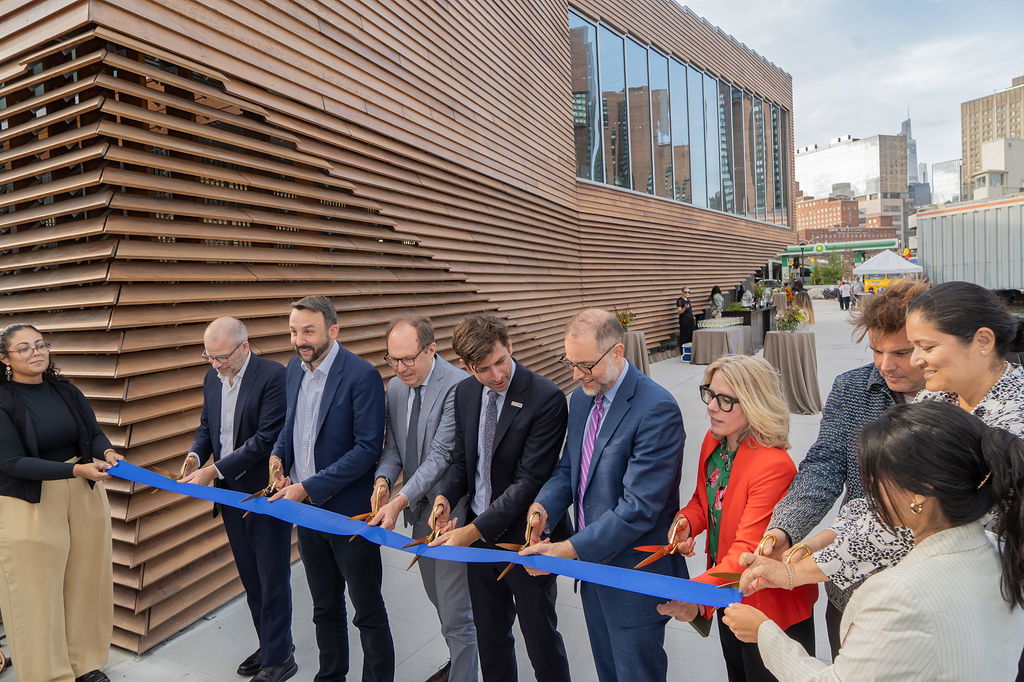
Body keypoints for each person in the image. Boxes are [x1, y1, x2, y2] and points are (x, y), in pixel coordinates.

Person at [724, 402, 1024, 680]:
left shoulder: (899, 593)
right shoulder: (1000, 551)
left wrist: (764, 633)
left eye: (876, 478)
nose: (868, 492)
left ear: (920, 493)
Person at [762, 280, 928, 656]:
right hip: (850, 585)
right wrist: (786, 527)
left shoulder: (958, 400)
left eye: (901, 352)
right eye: (876, 350)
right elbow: (825, 463)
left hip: (922, 593)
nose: (886, 365)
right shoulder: (852, 388)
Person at [521, 309, 687, 682]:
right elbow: (569, 469)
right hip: (592, 572)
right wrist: (543, 508)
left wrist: (568, 549)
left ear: (617, 352)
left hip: (633, 576)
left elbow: (639, 508)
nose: (576, 375)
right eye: (570, 364)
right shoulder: (581, 399)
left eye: (585, 365)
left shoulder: (656, 409)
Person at [429, 314, 571, 682]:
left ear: (509, 346)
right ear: (466, 366)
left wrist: (471, 531)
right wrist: (445, 498)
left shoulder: (546, 398)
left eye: (500, 361)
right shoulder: (464, 393)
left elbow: (529, 481)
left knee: (541, 642)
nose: (496, 375)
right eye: (483, 369)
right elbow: (461, 461)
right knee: (491, 641)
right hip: (479, 541)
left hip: (526, 540)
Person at [658, 355, 816, 682]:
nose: (711, 407)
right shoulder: (715, 441)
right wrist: (687, 522)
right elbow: (703, 500)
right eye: (710, 394)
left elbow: (748, 551)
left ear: (756, 403)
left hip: (769, 607)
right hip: (728, 593)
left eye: (725, 400)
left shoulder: (773, 465)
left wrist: (695, 595)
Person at [267, 296, 394, 682]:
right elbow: (290, 425)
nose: (299, 340)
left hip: (350, 515)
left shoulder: (361, 375)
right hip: (307, 514)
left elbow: (367, 449)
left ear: (333, 330)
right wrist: (277, 458)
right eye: (293, 331)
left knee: (367, 611)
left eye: (308, 331)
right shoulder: (293, 369)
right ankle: (330, 676)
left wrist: (307, 487)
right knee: (324, 608)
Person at [0, 323, 121, 682]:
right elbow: (11, 462)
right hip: (29, 501)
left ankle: (85, 664)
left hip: (83, 494)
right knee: (37, 593)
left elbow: (93, 433)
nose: (36, 352)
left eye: (40, 345)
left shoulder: (67, 391)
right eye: (24, 348)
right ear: (5, 358)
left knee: (86, 582)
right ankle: (48, 675)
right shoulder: (2, 400)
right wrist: (76, 470)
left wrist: (107, 452)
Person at [178, 318, 294, 682]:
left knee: (272, 576)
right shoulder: (212, 378)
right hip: (229, 494)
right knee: (251, 577)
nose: (216, 365)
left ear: (245, 346)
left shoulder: (274, 376)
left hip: (265, 493)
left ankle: (280, 658)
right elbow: (207, 427)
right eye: (209, 357)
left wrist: (212, 471)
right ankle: (269, 644)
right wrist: (196, 456)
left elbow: (264, 439)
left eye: (222, 357)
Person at [368, 316, 477, 682]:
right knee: (438, 600)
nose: (400, 368)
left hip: (451, 513)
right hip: (418, 512)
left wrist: (398, 501)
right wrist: (384, 480)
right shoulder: (396, 389)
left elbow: (441, 455)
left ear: (431, 349)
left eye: (408, 359)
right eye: (393, 359)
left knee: (456, 611)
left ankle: (464, 674)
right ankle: (458, 660)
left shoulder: (458, 386)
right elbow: (394, 448)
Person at [675, 287, 695, 360]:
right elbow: (679, 312)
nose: (687, 294)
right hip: (684, 320)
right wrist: (684, 308)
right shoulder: (680, 300)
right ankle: (682, 352)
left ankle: (689, 351)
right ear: (682, 292)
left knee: (690, 334)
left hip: (690, 320)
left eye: (688, 292)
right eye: (685, 292)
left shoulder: (688, 300)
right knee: (684, 335)